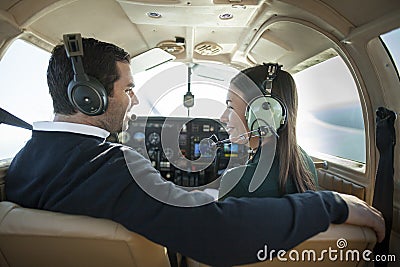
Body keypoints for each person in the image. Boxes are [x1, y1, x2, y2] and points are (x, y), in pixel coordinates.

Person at [5, 35, 385, 267]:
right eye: (128, 88)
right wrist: (331, 203)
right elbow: (215, 229)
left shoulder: (22, 165)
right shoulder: (120, 169)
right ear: (91, 98)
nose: (134, 98)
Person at [219, 64, 317, 200]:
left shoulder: (237, 181)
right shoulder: (305, 163)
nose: (223, 118)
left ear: (262, 113)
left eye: (230, 107)